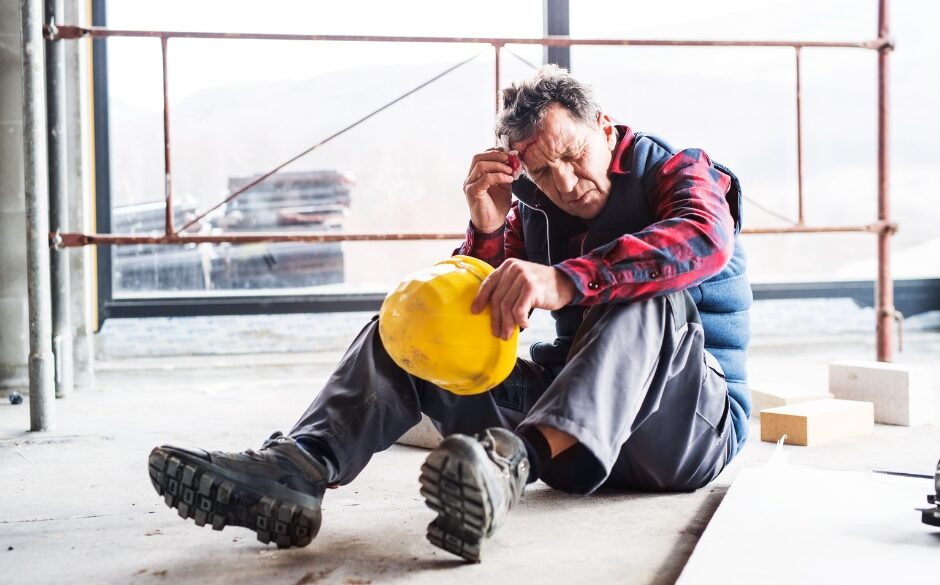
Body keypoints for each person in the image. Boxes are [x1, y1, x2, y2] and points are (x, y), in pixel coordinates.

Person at [147, 65, 752, 563]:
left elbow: (703, 238)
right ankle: (300, 467)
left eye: (573, 153)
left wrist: (568, 280)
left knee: (645, 291)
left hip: (683, 433)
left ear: (604, 126)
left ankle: (509, 466)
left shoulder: (680, 171)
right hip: (570, 441)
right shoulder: (536, 209)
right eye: (541, 171)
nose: (565, 182)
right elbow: (473, 316)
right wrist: (487, 232)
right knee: (414, 323)